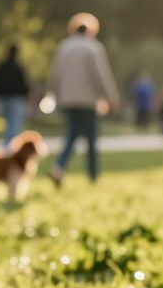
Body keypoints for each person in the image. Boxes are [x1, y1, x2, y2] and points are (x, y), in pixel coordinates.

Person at [47, 13, 120, 186]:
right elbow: (101, 76)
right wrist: (111, 98)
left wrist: (53, 94)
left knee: (71, 137)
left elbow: (55, 75)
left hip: (68, 100)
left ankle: (58, 167)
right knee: (91, 140)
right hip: (88, 101)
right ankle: (93, 176)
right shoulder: (93, 48)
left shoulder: (64, 47)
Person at [0, 44, 31, 146]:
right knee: (14, 124)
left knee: (8, 124)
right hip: (16, 98)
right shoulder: (17, 67)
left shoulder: (2, 67)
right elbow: (23, 83)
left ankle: (8, 145)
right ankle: (12, 146)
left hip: (5, 98)